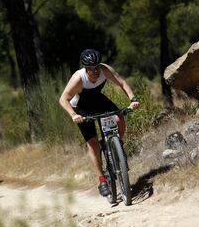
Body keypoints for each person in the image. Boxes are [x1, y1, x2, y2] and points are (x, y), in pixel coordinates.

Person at [59, 49, 139, 197]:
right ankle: (102, 180)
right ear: (85, 68)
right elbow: (63, 99)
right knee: (93, 143)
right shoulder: (78, 78)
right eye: (92, 68)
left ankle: (117, 146)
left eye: (97, 66)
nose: (96, 70)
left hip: (98, 101)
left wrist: (133, 99)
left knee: (120, 117)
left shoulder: (105, 69)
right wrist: (73, 115)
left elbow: (122, 82)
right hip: (82, 108)